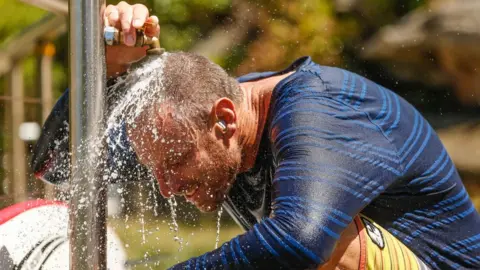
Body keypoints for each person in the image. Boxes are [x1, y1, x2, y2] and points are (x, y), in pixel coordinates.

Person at [31, 2, 480, 269]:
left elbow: (299, 240)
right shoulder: (190, 123)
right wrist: (105, 69)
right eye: (157, 170)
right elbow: (61, 169)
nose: (166, 186)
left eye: (176, 164)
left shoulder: (320, 111)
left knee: (326, 242)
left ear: (225, 120)